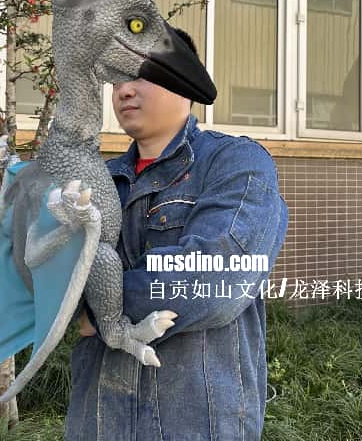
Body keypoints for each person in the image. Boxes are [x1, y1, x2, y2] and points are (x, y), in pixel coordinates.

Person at [64, 31, 289, 441]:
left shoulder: (235, 163)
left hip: (196, 420)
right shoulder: (97, 183)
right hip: (97, 417)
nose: (124, 90)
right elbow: (54, 287)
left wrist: (95, 311)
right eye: (116, 79)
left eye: (140, 74)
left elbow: (214, 280)